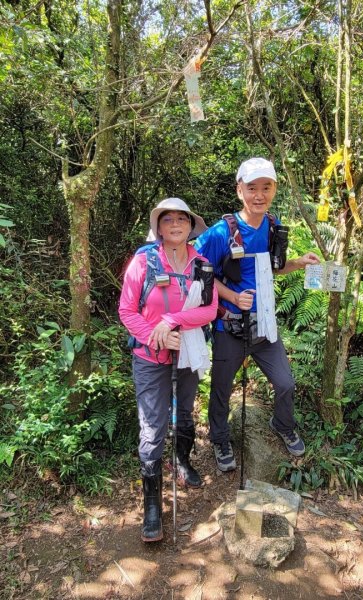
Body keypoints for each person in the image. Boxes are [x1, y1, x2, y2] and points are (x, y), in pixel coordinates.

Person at [194, 157, 321, 472]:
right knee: (222, 388)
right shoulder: (221, 232)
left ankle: (282, 423)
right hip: (230, 326)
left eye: (266, 187)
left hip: (264, 324)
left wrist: (298, 263)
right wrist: (233, 296)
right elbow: (199, 271)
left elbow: (272, 269)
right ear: (240, 191)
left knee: (286, 383)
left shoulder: (272, 226)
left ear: (274, 190)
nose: (259, 195)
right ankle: (221, 439)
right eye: (252, 188)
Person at [119, 198, 218, 542]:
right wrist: (155, 337)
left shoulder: (202, 264)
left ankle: (183, 461)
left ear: (191, 226)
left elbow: (209, 309)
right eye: (168, 219)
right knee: (152, 427)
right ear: (159, 227)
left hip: (187, 352)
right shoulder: (143, 261)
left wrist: (172, 320)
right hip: (150, 358)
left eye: (182, 219)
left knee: (185, 411)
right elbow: (127, 310)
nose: (175, 224)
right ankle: (151, 505)